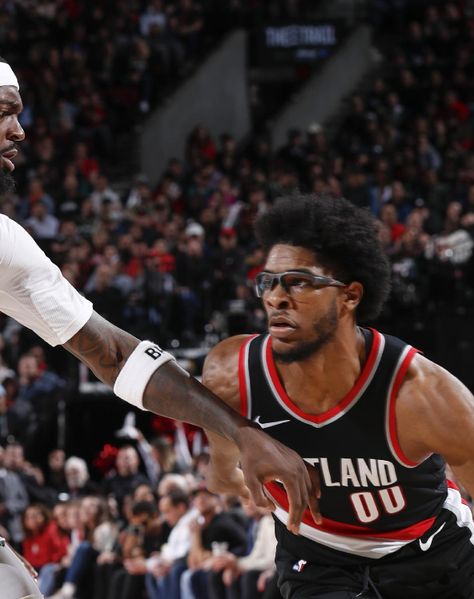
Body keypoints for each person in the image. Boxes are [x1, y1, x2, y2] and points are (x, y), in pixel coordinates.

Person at [0, 56, 318, 535]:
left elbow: (114, 354)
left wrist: (242, 432)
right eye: (5, 111)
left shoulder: (6, 245)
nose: (20, 132)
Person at [201, 194, 474, 599]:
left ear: (350, 296)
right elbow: (223, 477)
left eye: (299, 282)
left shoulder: (419, 394)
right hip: (321, 565)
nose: (275, 297)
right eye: (268, 281)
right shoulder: (233, 375)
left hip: (434, 562)